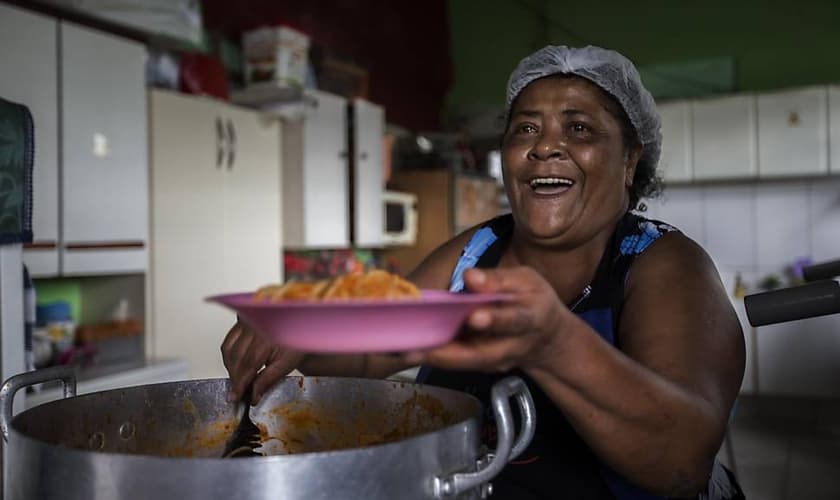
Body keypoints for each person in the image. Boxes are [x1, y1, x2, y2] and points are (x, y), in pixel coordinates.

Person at [222, 45, 745, 499]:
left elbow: (681, 460)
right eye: (526, 129)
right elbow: (369, 347)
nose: (544, 147)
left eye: (579, 127)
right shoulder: (475, 251)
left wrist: (552, 345)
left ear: (631, 158)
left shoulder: (663, 264)